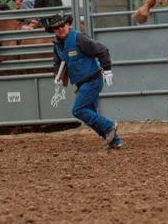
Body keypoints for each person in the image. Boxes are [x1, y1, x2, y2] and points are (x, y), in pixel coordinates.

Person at [50, 14, 122, 149]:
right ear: (53, 31)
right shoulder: (58, 46)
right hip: (83, 83)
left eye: (62, 25)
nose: (60, 29)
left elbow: (102, 50)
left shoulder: (79, 38)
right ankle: (114, 141)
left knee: (78, 110)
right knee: (90, 114)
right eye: (56, 27)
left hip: (92, 80)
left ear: (67, 25)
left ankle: (109, 126)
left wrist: (107, 69)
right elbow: (57, 63)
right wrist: (57, 76)